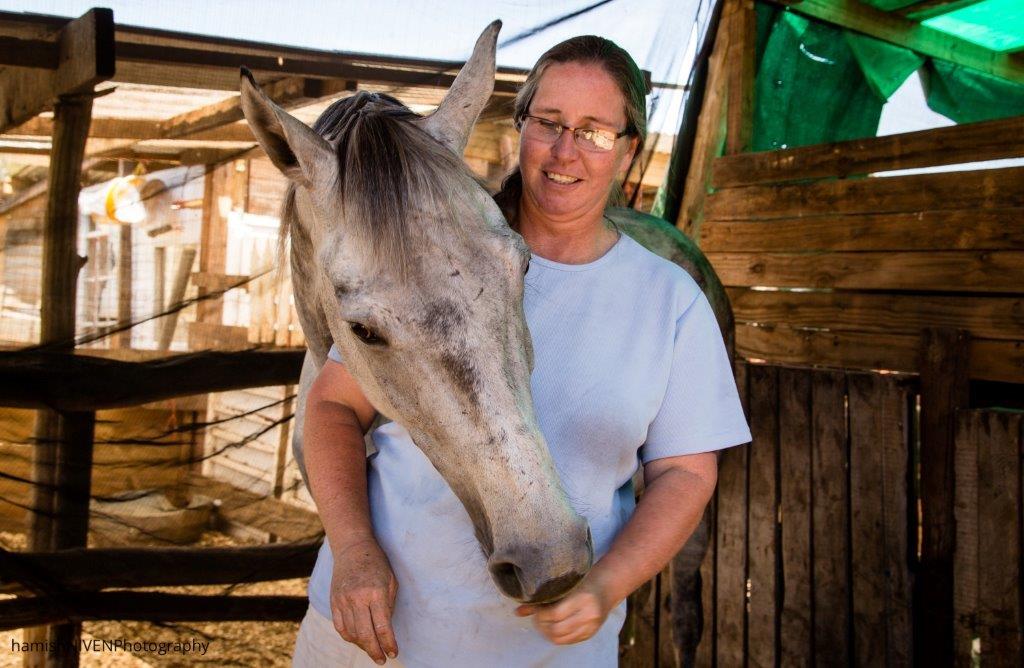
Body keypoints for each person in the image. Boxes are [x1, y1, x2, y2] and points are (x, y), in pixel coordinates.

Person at [292, 35, 751, 667]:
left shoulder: (669, 300)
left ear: (627, 151)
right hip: (375, 639)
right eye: (549, 123)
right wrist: (353, 549)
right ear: (521, 128)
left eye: (594, 131)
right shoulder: (432, 258)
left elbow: (687, 474)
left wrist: (606, 585)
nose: (566, 151)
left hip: (552, 656)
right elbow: (332, 409)